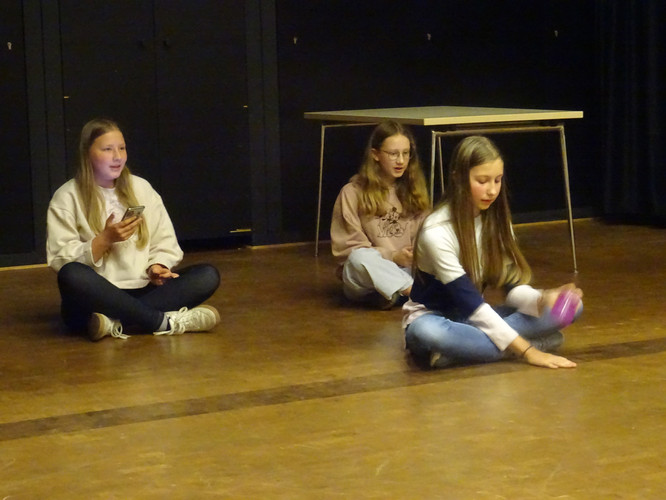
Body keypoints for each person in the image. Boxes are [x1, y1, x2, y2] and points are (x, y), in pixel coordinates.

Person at [403, 135, 583, 369]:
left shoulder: (497, 222)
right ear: (458, 178)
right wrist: (529, 351)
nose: (492, 190)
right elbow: (470, 302)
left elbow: (512, 288)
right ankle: (535, 343)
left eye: (497, 180)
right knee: (427, 332)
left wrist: (542, 298)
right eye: (482, 181)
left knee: (571, 308)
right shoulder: (436, 231)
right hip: (435, 318)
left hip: (474, 321)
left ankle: (462, 353)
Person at [46, 118, 221, 341]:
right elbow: (60, 259)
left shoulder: (141, 187)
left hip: (141, 289)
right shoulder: (66, 196)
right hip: (94, 298)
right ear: (87, 153)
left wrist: (157, 266)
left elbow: (164, 240)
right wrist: (104, 239)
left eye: (122, 148)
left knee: (207, 275)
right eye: (107, 149)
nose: (118, 156)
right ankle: (163, 322)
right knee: (71, 274)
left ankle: (115, 323)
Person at [330, 120, 430, 309]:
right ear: (375, 154)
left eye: (406, 153)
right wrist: (393, 256)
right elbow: (349, 250)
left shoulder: (414, 191)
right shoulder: (352, 192)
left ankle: (393, 293)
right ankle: (415, 294)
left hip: (407, 270)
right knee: (359, 259)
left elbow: (424, 236)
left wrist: (417, 254)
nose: (401, 161)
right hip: (366, 277)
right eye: (393, 154)